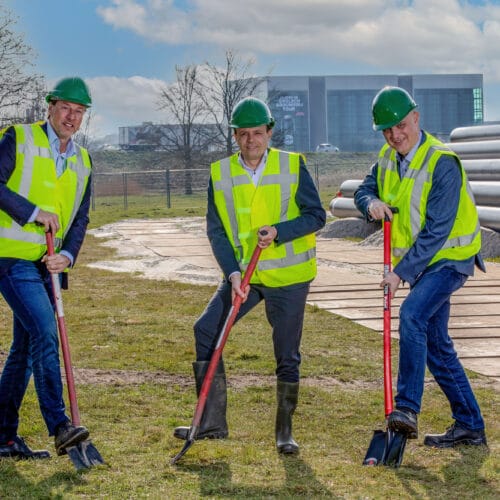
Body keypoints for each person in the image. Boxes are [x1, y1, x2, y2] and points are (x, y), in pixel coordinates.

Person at [174, 96, 326, 454]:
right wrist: (231, 274)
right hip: (245, 276)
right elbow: (217, 231)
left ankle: (284, 431)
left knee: (286, 353)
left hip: (289, 276)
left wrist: (279, 231)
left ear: (270, 133)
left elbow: (316, 216)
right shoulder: (220, 173)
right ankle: (210, 422)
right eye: (243, 134)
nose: (251, 141)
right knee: (206, 329)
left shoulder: (292, 166)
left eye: (258, 133)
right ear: (235, 136)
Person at [354, 86, 487, 449]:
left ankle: (407, 408)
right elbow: (362, 191)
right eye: (386, 130)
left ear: (416, 117)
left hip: (449, 259)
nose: (395, 135)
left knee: (412, 315)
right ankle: (470, 426)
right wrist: (371, 203)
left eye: (399, 125)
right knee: (437, 346)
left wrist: (400, 273)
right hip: (422, 263)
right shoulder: (385, 158)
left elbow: (437, 230)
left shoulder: (442, 161)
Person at [0, 77, 93, 459]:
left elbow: (81, 219)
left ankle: (3, 438)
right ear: (50, 107)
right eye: (66, 108)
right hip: (11, 258)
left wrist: (68, 256)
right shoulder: (18, 138)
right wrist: (34, 213)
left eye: (79, 111)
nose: (71, 117)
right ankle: (59, 424)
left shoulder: (84, 160)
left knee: (23, 351)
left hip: (48, 265)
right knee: (44, 331)